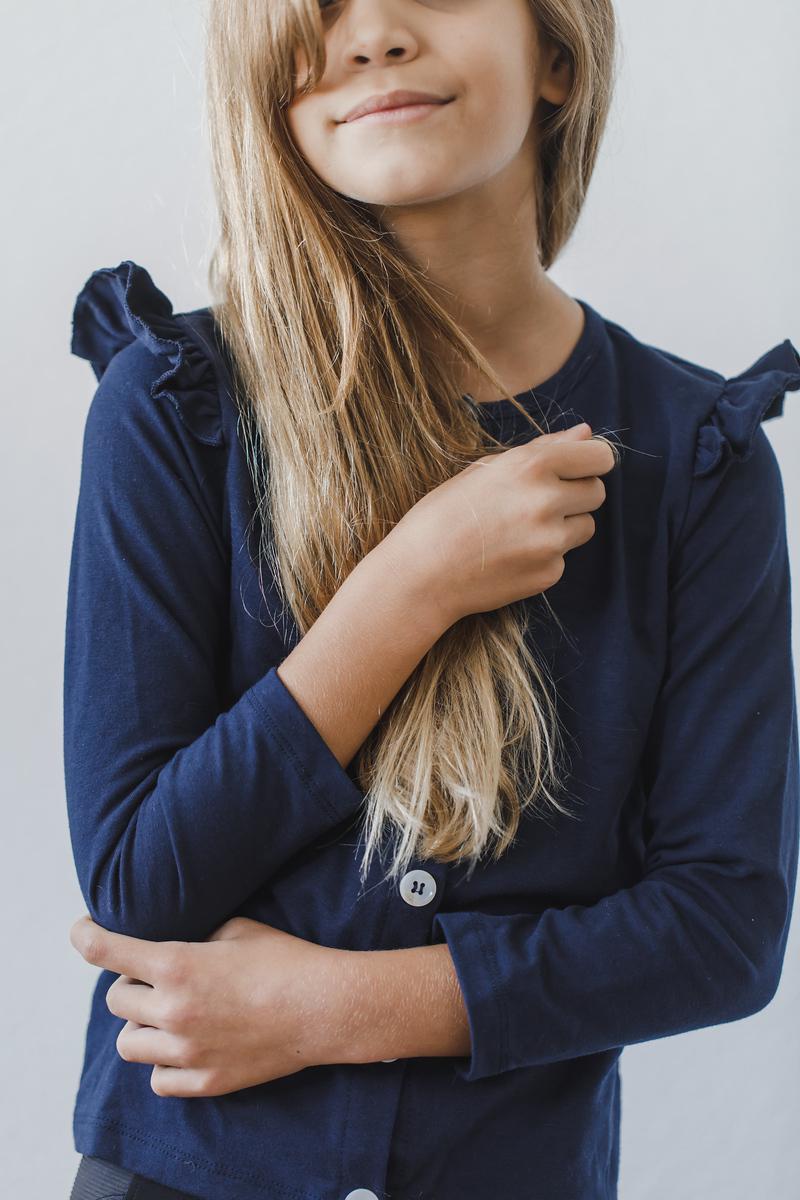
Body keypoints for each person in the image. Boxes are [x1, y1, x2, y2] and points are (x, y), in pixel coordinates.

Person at [64, 1, 800, 1198]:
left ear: (555, 52)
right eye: (319, 9)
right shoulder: (173, 409)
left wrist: (335, 1010)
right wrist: (409, 586)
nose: (372, 36)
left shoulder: (694, 463)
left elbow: (720, 931)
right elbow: (142, 877)